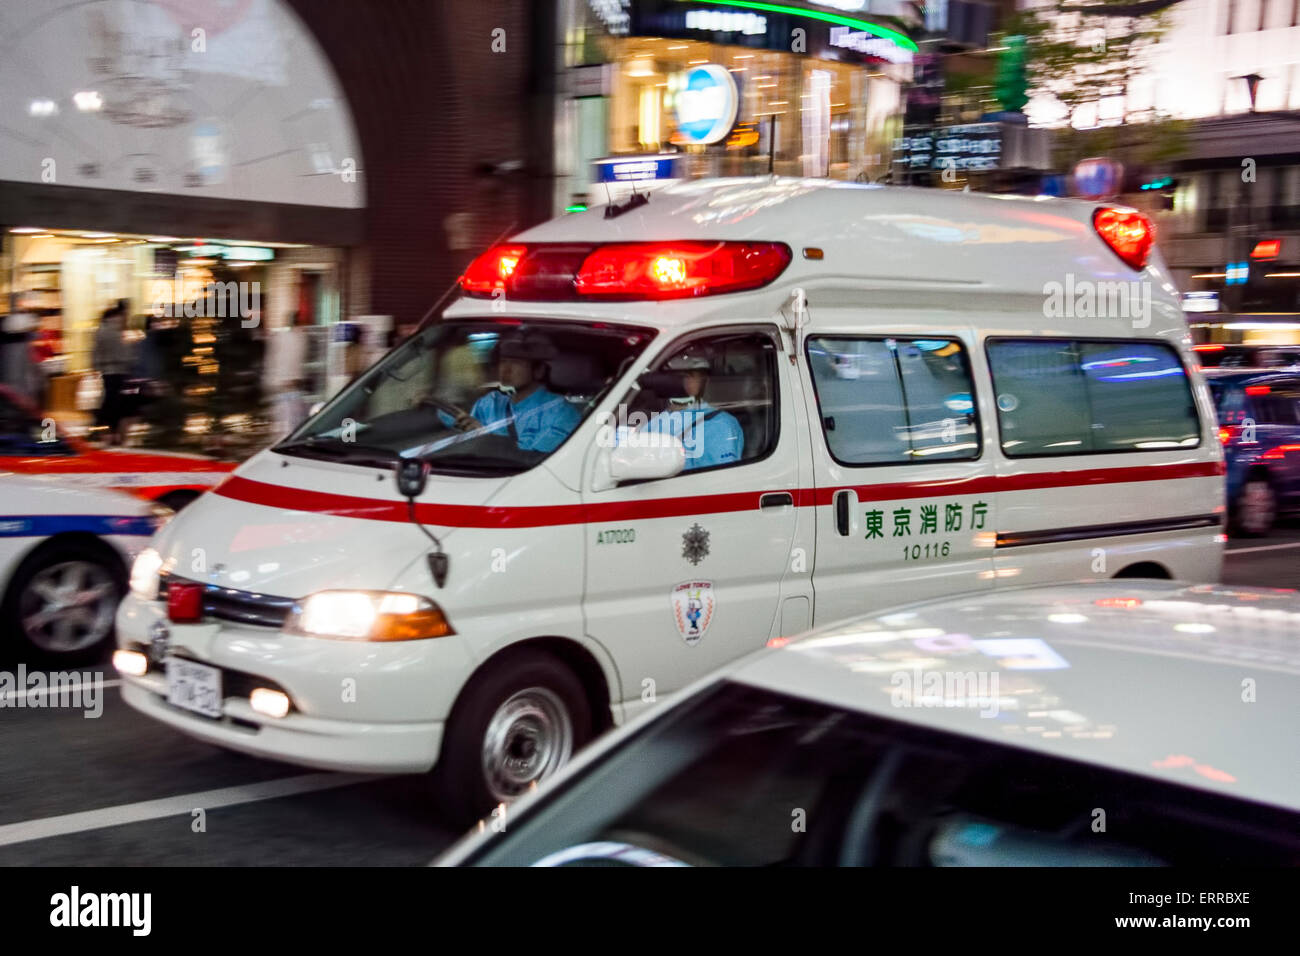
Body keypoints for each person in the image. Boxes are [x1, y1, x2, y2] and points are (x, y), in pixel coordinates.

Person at [452, 331, 580, 453]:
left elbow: (537, 460)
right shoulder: (488, 404)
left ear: (539, 370)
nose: (506, 369)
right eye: (503, 361)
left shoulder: (560, 412)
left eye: (516, 362)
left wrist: (485, 437)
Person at [643, 349, 743, 470]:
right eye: (676, 376)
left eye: (689, 376)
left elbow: (718, 480)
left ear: (705, 382)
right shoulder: (653, 421)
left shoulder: (718, 424)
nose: (682, 382)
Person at [92, 304, 134, 444]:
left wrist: (96, 366)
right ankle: (107, 428)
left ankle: (104, 428)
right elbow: (123, 351)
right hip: (118, 369)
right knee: (114, 401)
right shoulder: (116, 330)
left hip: (108, 370)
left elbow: (96, 351)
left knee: (110, 399)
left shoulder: (102, 330)